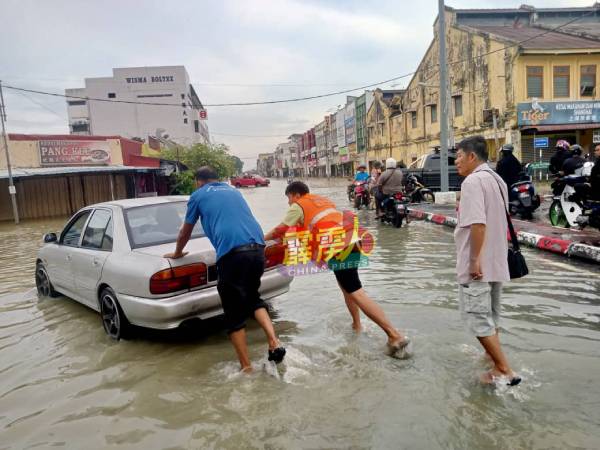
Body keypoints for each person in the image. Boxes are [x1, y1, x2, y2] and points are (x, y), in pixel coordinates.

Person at [264, 181, 410, 356]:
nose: (289, 203)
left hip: (338, 244)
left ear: (295, 194)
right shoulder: (322, 201)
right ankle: (357, 325)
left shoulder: (298, 205)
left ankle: (394, 335)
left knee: (356, 291)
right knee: (347, 287)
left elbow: (281, 229)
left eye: (288, 198)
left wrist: (261, 239)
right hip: (353, 239)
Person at [165, 166, 285, 373]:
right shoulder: (233, 190)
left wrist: (177, 253)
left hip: (233, 253)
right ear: (217, 179)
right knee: (253, 297)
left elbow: (186, 231)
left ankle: (246, 368)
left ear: (198, 181)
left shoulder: (198, 195)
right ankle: (274, 340)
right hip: (258, 248)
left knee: (233, 314)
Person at [454, 136, 521, 386]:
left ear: (472, 156)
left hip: (479, 264)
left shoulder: (472, 182)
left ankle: (503, 369)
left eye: (459, 156)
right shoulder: (497, 179)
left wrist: (473, 261)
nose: (456, 162)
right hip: (496, 260)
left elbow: (478, 223)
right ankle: (491, 359)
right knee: (491, 315)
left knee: (478, 317)